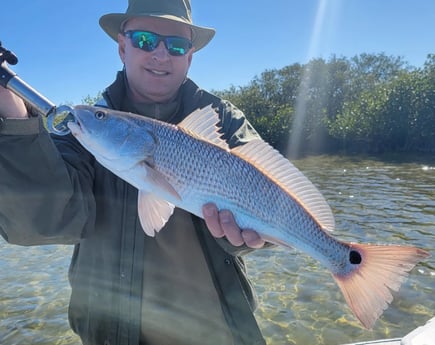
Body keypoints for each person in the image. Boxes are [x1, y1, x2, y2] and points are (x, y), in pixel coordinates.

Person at [0, 1, 268, 344]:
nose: (160, 54)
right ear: (122, 47)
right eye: (144, 40)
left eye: (176, 46)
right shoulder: (85, 131)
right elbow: (42, 221)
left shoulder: (225, 121)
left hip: (221, 331)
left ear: (190, 56)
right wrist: (13, 117)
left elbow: (270, 201)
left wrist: (243, 239)